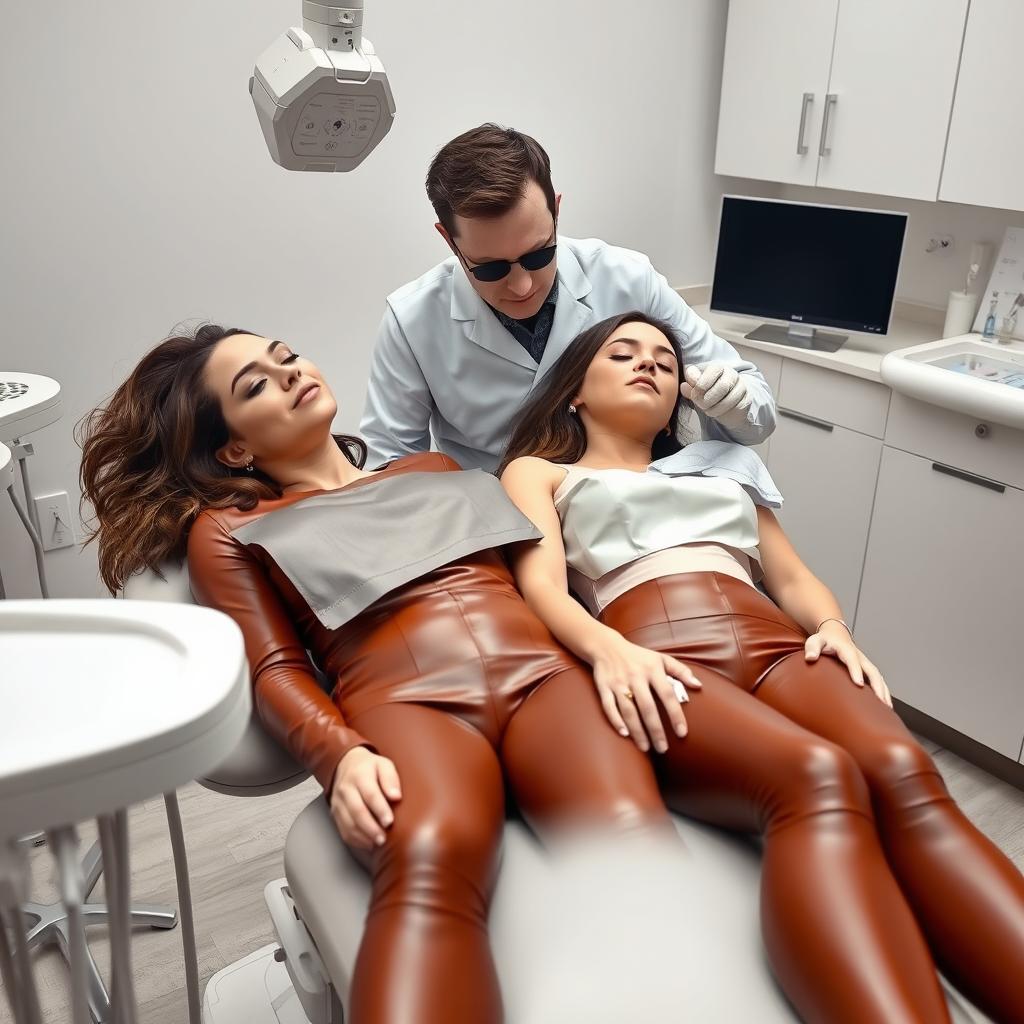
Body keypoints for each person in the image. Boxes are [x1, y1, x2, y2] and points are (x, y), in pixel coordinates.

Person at [78, 325, 673, 1024]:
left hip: (544, 679)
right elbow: (272, 665)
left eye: (286, 356)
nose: (291, 372)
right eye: (256, 384)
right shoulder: (232, 527)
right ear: (235, 447)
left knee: (632, 843)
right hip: (411, 705)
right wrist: (340, 755)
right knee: (432, 859)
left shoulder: (433, 469)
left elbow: (545, 582)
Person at [498, 311, 1024, 1024]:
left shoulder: (725, 467)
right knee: (818, 776)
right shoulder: (541, 473)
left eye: (663, 357)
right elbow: (541, 589)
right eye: (623, 354)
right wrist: (608, 651)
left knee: (906, 772)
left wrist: (834, 628)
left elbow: (792, 576)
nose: (648, 363)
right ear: (576, 393)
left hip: (778, 645)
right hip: (666, 658)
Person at [360, 123, 776, 472]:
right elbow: (393, 466)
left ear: (556, 212)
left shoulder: (627, 277)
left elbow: (755, 414)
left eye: (539, 254)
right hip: (496, 526)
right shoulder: (412, 319)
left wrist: (733, 405)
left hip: (630, 513)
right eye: (491, 268)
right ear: (449, 241)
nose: (522, 286)